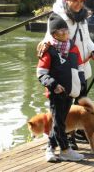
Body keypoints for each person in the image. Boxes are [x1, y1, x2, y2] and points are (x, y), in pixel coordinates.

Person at [38, 0, 94, 148]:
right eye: (75, 1)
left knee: (81, 103)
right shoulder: (59, 18)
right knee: (66, 107)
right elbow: (49, 38)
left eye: (81, 1)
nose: (78, 4)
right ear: (67, 1)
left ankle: (79, 131)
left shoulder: (83, 18)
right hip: (66, 69)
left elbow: (86, 38)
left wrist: (93, 50)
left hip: (82, 67)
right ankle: (64, 140)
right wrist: (44, 44)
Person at [37, 14, 85, 162]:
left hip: (70, 92)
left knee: (60, 122)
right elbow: (41, 73)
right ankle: (65, 150)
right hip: (56, 93)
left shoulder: (73, 47)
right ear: (53, 34)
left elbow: (80, 66)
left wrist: (81, 85)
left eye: (66, 31)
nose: (64, 34)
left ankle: (50, 148)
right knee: (58, 122)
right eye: (60, 32)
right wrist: (54, 85)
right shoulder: (48, 50)